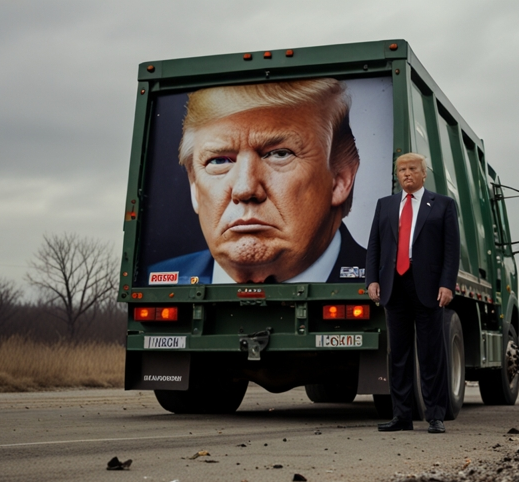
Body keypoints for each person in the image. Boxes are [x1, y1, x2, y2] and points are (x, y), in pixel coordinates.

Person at [148, 79, 366, 284]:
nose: (245, 189)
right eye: (219, 160)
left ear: (340, 179)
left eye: (279, 154)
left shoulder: (386, 282)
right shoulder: (155, 278)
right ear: (194, 186)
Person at [365, 152, 461, 434]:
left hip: (429, 288)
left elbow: (450, 250)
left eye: (412, 169)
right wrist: (373, 279)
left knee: (431, 353)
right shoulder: (385, 205)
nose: (406, 173)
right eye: (402, 169)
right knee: (399, 355)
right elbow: (374, 246)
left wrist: (447, 283)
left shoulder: (442, 205)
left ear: (423, 173)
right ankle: (402, 416)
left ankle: (435, 416)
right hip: (394, 286)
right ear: (397, 174)